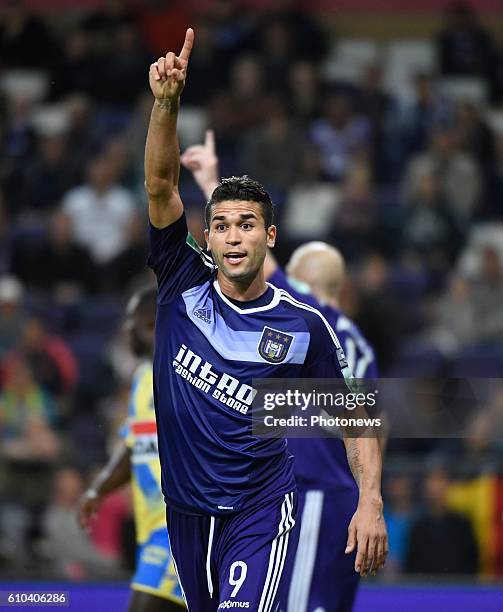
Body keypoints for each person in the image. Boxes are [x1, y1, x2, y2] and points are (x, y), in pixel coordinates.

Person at [145, 29, 386, 611]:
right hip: (185, 509)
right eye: (222, 224)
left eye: (247, 224)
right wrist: (167, 104)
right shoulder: (181, 281)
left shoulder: (305, 327)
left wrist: (371, 499)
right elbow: (159, 183)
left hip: (260, 509)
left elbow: (356, 417)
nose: (234, 236)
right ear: (208, 235)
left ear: (268, 236)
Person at [182, 131, 384, 612]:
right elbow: (373, 424)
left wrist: (211, 180)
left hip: (308, 487)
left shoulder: (307, 315)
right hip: (344, 492)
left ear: (309, 281)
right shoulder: (360, 345)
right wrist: (370, 498)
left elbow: (254, 264)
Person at [77, 287, 184, 612]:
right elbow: (132, 447)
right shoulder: (141, 377)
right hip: (151, 531)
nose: (125, 330)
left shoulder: (189, 376)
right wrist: (98, 490)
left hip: (180, 527)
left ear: (154, 325)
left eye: (132, 322)